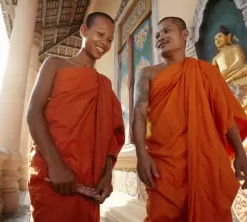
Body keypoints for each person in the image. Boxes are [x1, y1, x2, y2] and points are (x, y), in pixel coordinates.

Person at [132, 17, 247, 222]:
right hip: (164, 163)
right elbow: (139, 116)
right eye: (158, 35)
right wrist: (141, 154)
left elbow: (225, 116)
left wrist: (240, 152)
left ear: (185, 35)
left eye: (167, 31)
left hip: (206, 162)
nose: (161, 37)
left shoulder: (207, 72)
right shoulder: (148, 74)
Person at [27, 12, 125, 222]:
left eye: (109, 40)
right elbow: (34, 112)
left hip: (89, 181)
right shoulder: (55, 65)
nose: (105, 43)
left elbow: (112, 135)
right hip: (53, 175)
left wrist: (107, 175)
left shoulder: (104, 86)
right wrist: (55, 165)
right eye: (100, 34)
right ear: (83, 31)